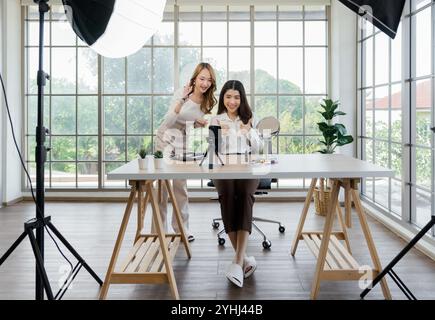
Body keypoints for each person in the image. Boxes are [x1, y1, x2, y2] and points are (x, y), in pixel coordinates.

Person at [154, 62, 217, 242]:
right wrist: (182, 99)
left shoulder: (206, 102)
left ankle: (182, 229)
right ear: (195, 78)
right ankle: (159, 230)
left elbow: (188, 122)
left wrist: (199, 124)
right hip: (165, 139)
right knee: (162, 190)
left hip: (182, 141)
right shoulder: (183, 93)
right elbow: (168, 120)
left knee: (180, 187)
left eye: (209, 80)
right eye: (202, 78)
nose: (205, 83)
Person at [211, 80, 262, 287]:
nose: (232, 101)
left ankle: (238, 260)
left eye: (236, 97)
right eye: (228, 96)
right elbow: (213, 151)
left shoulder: (249, 118)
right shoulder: (216, 119)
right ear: (223, 98)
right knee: (227, 197)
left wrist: (247, 132)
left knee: (245, 196)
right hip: (224, 166)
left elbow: (258, 148)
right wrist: (220, 137)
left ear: (242, 99)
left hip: (248, 165)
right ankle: (245, 259)